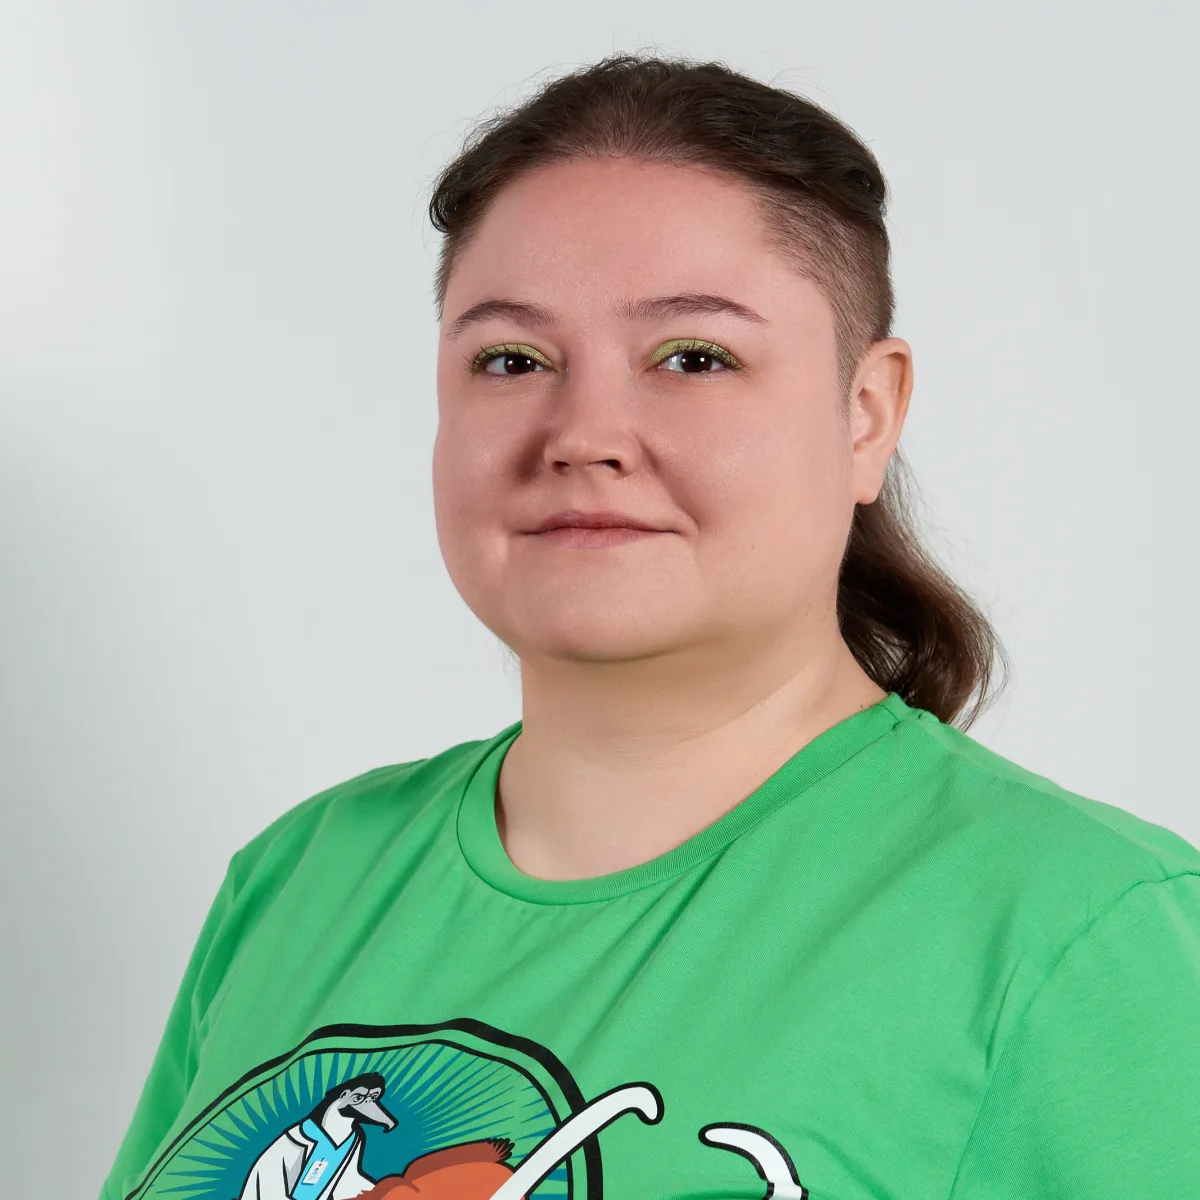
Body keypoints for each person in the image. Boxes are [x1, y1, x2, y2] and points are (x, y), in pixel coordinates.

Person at [99, 52, 1200, 1200]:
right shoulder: (299, 882)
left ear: (866, 416)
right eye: (511, 359)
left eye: (694, 357)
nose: (583, 433)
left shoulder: (1085, 938)